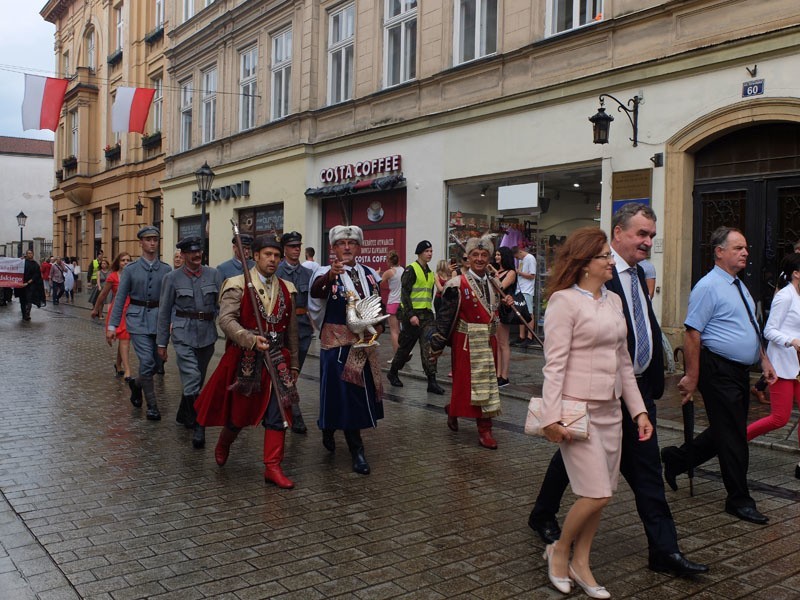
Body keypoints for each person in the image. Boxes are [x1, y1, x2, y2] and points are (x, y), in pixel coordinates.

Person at [529, 204, 708, 578]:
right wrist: (552, 413)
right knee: (575, 467)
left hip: (632, 394)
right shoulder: (597, 278)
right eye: (642, 234)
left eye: (652, 236)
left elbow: (635, 337)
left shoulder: (639, 275)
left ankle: (664, 550)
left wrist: (644, 402)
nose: (648, 242)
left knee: (646, 474)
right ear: (618, 233)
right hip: (586, 400)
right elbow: (557, 361)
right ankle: (546, 520)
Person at [538, 226, 653, 598]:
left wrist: (638, 412)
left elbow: (624, 364)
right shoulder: (563, 302)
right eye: (604, 255)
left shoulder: (613, 301)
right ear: (585, 263)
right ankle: (558, 550)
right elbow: (554, 365)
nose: (609, 261)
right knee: (597, 493)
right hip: (576, 412)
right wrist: (550, 418)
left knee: (603, 493)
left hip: (611, 412)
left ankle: (581, 562)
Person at [664, 226, 777, 525]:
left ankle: (676, 459)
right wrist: (691, 375)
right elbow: (692, 333)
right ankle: (739, 499)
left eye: (745, 248)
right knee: (734, 437)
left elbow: (752, 327)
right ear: (719, 251)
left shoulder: (738, 285)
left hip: (739, 371)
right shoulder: (708, 286)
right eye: (738, 248)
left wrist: (763, 359)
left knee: (727, 430)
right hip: (718, 369)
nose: (745, 253)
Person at [195, 234, 300, 488]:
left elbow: (292, 331)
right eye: (267, 255)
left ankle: (272, 467)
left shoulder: (287, 287)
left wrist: (295, 363)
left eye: (276, 255)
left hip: (278, 360)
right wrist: (248, 338)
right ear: (255, 256)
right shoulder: (237, 283)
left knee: (279, 413)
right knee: (239, 415)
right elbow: (226, 320)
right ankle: (224, 442)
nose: (273, 260)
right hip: (246, 359)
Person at [308, 225, 384, 475]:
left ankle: (347, 440)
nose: (348, 247)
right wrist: (331, 275)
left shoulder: (370, 274)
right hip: (337, 345)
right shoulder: (325, 273)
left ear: (359, 247)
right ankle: (342, 439)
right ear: (333, 248)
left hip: (363, 345)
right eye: (342, 243)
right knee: (340, 394)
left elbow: (378, 304)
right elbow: (316, 294)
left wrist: (379, 327)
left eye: (352, 243)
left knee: (357, 396)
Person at [429, 235, 507, 448]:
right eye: (475, 255)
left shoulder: (494, 283)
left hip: (488, 341)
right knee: (465, 387)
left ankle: (485, 428)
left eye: (484, 255)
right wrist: (436, 345)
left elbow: (495, 312)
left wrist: (506, 302)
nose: (480, 259)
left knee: (488, 387)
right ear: (468, 258)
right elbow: (445, 318)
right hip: (466, 342)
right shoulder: (456, 284)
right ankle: (455, 410)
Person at [157, 237, 223, 449]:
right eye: (191, 253)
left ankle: (184, 413)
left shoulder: (213, 274)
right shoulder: (172, 278)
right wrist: (161, 343)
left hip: (207, 334)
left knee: (197, 379)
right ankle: (199, 425)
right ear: (183, 255)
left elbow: (221, 305)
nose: (196, 255)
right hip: (183, 333)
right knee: (192, 377)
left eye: (199, 252)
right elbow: (164, 311)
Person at [107, 226, 172, 420]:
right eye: (148, 239)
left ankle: (136, 383)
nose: (152, 242)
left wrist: (171, 321)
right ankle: (152, 405)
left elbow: (170, 299)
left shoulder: (166, 270)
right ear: (141, 243)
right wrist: (112, 326)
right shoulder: (131, 270)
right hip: (137, 320)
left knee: (156, 363)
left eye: (155, 239)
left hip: (159, 321)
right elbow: (119, 299)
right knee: (147, 361)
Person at [746, 252, 800, 477]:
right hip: (782, 366)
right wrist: (792, 341)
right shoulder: (785, 296)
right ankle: (737, 440)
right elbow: (769, 331)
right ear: (796, 274)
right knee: (780, 418)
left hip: (797, 365)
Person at [387, 240, 444, 394]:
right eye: (427, 251)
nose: (430, 254)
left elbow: (430, 294)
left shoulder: (430, 272)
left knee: (429, 347)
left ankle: (432, 381)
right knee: (405, 348)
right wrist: (411, 315)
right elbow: (404, 294)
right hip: (412, 316)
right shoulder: (411, 270)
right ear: (420, 253)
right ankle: (393, 372)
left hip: (427, 315)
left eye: (431, 251)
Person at [276, 230, 314, 434]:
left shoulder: (308, 274)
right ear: (284, 249)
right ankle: (295, 413)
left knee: (294, 371)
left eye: (298, 246)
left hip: (304, 330)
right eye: (292, 246)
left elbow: (315, 303)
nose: (296, 249)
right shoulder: (277, 273)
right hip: (282, 330)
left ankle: (285, 403)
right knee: (286, 370)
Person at [92, 253, 132, 380]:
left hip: (131, 311)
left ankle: (119, 365)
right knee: (124, 340)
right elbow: (103, 294)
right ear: (118, 262)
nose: (125, 262)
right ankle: (128, 371)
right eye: (123, 260)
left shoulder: (133, 275)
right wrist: (96, 309)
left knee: (124, 340)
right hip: (118, 311)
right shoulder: (113, 277)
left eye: (128, 260)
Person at [493, 247, 517, 387]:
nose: (496, 257)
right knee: (497, 343)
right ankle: (498, 374)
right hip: (495, 308)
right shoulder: (498, 271)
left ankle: (505, 375)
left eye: (499, 255)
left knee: (503, 343)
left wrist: (495, 275)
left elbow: (500, 287)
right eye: (496, 254)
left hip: (504, 309)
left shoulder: (511, 272)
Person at [511, 245, 537, 348]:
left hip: (527, 289)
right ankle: (522, 336)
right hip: (520, 289)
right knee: (521, 312)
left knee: (529, 312)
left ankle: (530, 336)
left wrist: (519, 272)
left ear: (520, 252)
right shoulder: (522, 260)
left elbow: (532, 275)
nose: (517, 259)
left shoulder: (530, 258)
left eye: (517, 257)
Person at [381, 250, 404, 356]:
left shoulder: (389, 272)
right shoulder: (403, 270)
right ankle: (404, 352)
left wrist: (377, 274)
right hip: (402, 302)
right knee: (401, 329)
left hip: (393, 302)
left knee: (394, 331)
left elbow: (378, 282)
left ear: (389, 261)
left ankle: (396, 356)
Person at [15, 250, 46, 321]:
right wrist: (19, 260)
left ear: (33, 254)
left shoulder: (35, 264)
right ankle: (24, 314)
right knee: (22, 300)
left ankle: (27, 313)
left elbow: (37, 275)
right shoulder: (22, 262)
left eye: (31, 253)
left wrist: (29, 282)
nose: (30, 255)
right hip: (22, 284)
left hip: (30, 285)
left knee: (29, 299)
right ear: (26, 254)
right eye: (28, 253)